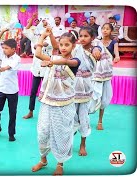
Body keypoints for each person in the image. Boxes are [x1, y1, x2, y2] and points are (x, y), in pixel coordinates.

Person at [31, 28, 80, 176]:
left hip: (64, 104)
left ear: (73, 46)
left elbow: (66, 61)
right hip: (48, 102)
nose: (63, 48)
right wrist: (43, 36)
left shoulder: (75, 61)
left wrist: (52, 61)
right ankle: (43, 159)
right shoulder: (54, 57)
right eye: (61, 45)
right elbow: (38, 54)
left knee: (61, 133)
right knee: (43, 132)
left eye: (67, 45)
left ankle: (60, 163)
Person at [22, 13, 58, 119]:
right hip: (37, 69)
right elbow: (26, 30)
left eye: (46, 20)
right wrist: (31, 19)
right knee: (33, 91)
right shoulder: (36, 37)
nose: (44, 22)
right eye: (42, 21)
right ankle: (30, 111)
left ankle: (49, 113)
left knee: (49, 92)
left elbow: (53, 46)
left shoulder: (52, 37)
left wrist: (47, 35)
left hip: (48, 68)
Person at [72, 27, 101, 156]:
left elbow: (98, 49)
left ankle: (82, 144)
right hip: (72, 88)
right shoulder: (75, 49)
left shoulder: (94, 50)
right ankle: (68, 143)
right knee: (70, 117)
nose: (82, 38)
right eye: (80, 36)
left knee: (84, 118)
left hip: (86, 90)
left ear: (92, 38)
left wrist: (96, 49)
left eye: (85, 36)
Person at [0, 28, 21, 142]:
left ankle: (11, 133)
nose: (3, 50)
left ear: (13, 49)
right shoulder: (3, 55)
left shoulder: (17, 58)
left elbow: (10, 66)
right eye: (3, 48)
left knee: (12, 113)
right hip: (1, 89)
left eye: (6, 48)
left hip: (12, 90)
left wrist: (4, 68)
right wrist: (2, 32)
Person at [93, 23, 120, 130]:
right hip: (95, 72)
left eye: (107, 29)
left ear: (111, 31)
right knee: (90, 95)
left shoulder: (114, 42)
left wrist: (117, 58)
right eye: (103, 29)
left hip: (106, 73)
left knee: (104, 98)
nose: (105, 31)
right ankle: (83, 118)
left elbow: (116, 54)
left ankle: (100, 121)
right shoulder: (96, 42)